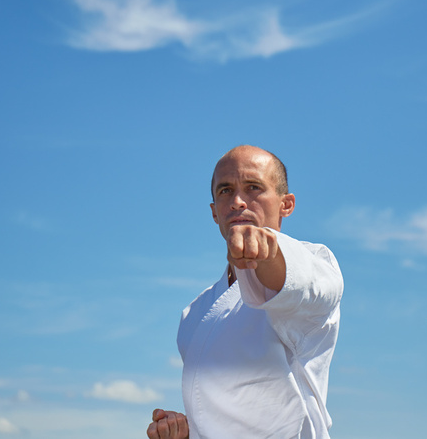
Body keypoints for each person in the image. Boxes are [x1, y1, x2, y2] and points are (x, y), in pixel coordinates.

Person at [147, 145, 343, 439]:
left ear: (285, 204)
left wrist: (268, 251)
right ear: (214, 212)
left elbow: (301, 283)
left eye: (253, 188)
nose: (238, 201)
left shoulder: (315, 264)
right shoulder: (195, 313)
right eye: (225, 191)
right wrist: (186, 432)